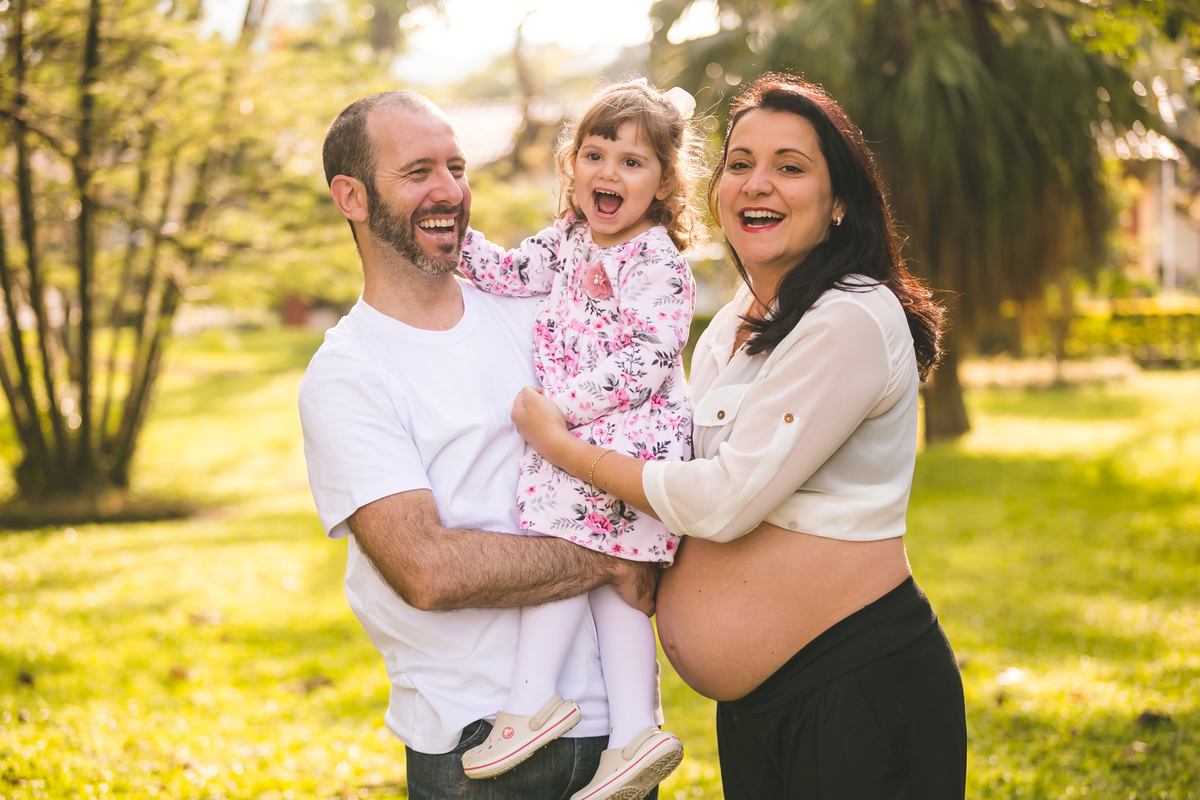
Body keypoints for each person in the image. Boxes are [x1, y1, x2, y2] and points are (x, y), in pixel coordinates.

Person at [511, 73, 969, 799]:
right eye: (740, 163)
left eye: (790, 167)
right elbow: (678, 465)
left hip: (852, 688)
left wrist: (568, 452)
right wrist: (636, 559)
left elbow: (725, 499)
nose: (757, 184)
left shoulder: (849, 316)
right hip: (760, 704)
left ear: (840, 200)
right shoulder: (737, 323)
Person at [297, 89, 663, 800]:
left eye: (456, 167)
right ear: (352, 196)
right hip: (477, 744)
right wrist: (609, 556)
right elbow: (428, 570)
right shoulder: (347, 374)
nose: (449, 191)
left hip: (618, 742)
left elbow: (638, 428)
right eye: (418, 172)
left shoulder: (537, 310)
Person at [453, 80, 702, 800]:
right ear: (572, 163)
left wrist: (558, 413)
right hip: (591, 440)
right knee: (609, 579)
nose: (608, 173)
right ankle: (634, 732)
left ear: (662, 185)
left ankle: (531, 699)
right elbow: (505, 271)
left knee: (563, 546)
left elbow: (650, 356)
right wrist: (447, 229)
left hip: (625, 443)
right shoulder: (564, 241)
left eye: (633, 162)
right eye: (595, 154)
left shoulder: (655, 261)